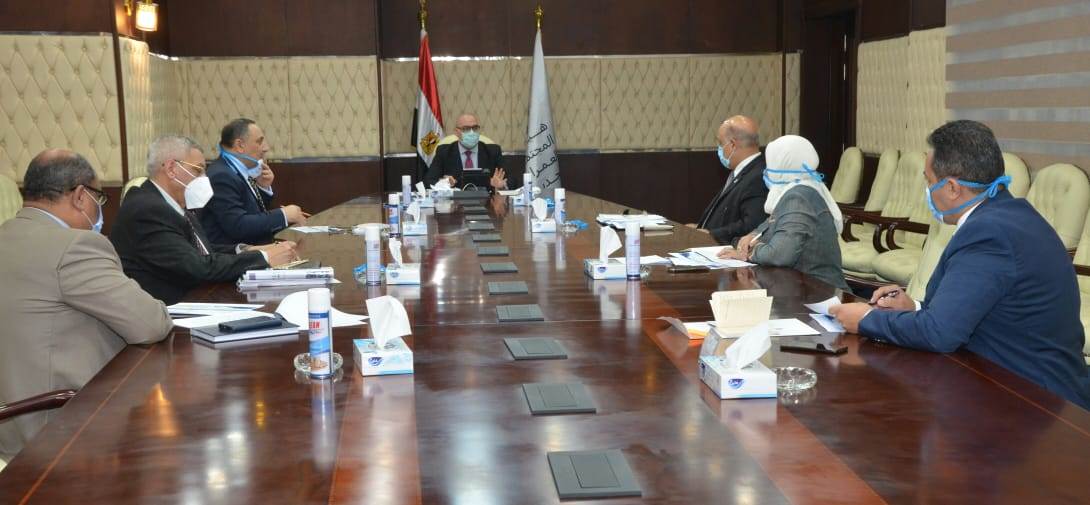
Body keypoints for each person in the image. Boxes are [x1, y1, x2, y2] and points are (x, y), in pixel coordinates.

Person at [829, 120, 1090, 409]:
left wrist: (866, 319)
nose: (927, 190)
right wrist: (914, 307)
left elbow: (939, 333)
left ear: (952, 188)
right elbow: (971, 308)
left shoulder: (990, 233)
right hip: (1007, 380)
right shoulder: (1008, 214)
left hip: (1032, 399)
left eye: (929, 181)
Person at [0, 149, 173, 460]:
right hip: (62, 430)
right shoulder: (75, 246)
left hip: (10, 428)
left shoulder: (7, 236)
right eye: (99, 199)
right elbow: (151, 323)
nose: (100, 210)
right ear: (81, 196)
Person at [111, 135, 300, 305]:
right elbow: (197, 267)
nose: (204, 178)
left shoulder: (171, 202)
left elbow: (200, 250)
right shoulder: (147, 209)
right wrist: (265, 257)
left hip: (195, 297)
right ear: (171, 169)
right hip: (169, 312)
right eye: (198, 170)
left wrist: (246, 250)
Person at [719, 135, 848, 290]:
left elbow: (780, 255)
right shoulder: (797, 188)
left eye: (770, 164)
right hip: (798, 287)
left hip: (817, 293)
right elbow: (771, 222)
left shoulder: (799, 197)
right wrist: (753, 235)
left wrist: (747, 253)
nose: (766, 171)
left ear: (783, 164)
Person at [200, 118, 308, 245]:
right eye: (259, 141)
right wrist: (283, 215)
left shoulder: (236, 169)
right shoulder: (221, 175)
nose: (266, 148)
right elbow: (238, 225)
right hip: (236, 253)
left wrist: (263, 188)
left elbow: (253, 212)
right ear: (240, 145)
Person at [689, 115, 769, 245]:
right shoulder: (741, 172)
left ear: (732, 145)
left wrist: (711, 234)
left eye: (720, 143)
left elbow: (751, 225)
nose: (719, 148)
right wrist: (700, 227)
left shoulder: (758, 176)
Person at [425, 113, 508, 190]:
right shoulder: (444, 152)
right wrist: (444, 183)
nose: (472, 132)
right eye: (466, 129)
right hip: (455, 199)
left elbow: (510, 181)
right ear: (456, 132)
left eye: (475, 128)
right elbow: (428, 181)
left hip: (486, 199)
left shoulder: (493, 151)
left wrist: (502, 184)